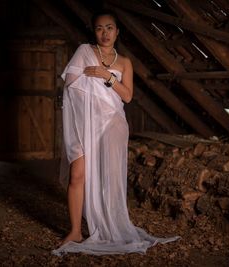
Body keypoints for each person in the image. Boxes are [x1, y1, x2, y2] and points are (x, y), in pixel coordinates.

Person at [52, 10, 180, 256]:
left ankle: (110, 228)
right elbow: (70, 82)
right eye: (99, 28)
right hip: (84, 124)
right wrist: (91, 96)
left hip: (112, 123)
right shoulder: (84, 51)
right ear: (94, 31)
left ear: (117, 31)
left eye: (110, 28)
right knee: (77, 175)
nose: (105, 33)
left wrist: (106, 76)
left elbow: (128, 96)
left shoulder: (125, 63)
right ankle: (75, 231)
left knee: (109, 179)